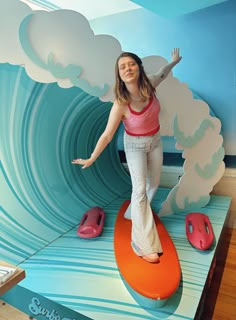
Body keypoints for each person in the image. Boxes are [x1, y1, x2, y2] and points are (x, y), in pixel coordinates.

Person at [72, 48, 182, 263]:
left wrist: (173, 62)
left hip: (156, 141)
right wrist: (92, 157)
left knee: (154, 185)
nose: (127, 68)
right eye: (123, 67)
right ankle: (142, 243)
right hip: (135, 146)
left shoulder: (150, 84)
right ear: (119, 75)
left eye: (131, 64)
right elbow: (107, 135)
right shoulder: (120, 103)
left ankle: (135, 213)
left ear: (139, 68)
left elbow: (162, 72)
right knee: (139, 190)